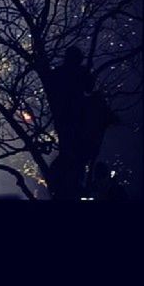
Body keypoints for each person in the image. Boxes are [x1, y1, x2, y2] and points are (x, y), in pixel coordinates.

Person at [46, 46, 94, 199]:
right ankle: (69, 184)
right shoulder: (79, 72)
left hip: (65, 117)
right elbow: (89, 89)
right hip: (76, 117)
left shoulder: (58, 73)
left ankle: (65, 183)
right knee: (74, 152)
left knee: (70, 151)